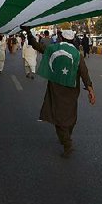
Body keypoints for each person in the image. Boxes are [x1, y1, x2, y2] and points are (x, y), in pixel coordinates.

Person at [23, 27, 96, 158]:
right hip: (72, 90)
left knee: (58, 115)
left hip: (56, 88)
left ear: (61, 38)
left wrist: (28, 32)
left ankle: (67, 142)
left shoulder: (53, 49)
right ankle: (67, 135)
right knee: (70, 114)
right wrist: (90, 90)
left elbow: (36, 45)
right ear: (73, 39)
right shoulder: (77, 54)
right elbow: (84, 73)